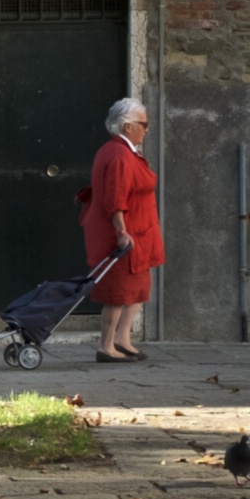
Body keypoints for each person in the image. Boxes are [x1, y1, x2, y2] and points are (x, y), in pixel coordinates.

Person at [78, 98, 165, 363]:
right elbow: (115, 199)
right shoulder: (118, 155)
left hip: (141, 230)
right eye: (144, 124)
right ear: (128, 127)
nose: (147, 129)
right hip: (123, 233)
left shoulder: (123, 152)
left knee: (137, 288)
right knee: (117, 292)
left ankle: (122, 338)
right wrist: (121, 232)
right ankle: (106, 345)